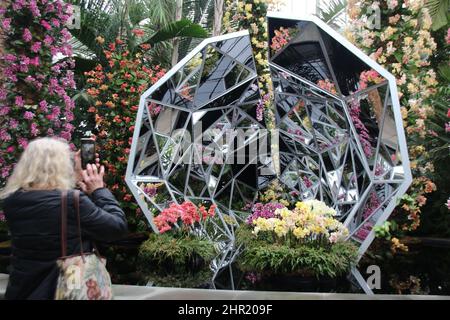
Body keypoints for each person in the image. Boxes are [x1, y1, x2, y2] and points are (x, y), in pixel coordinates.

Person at [0, 137, 128, 299]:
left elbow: (54, 210)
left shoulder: (12, 201)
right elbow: (117, 228)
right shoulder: (71, 202)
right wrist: (99, 190)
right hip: (63, 290)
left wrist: (75, 180)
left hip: (23, 290)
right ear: (61, 167)